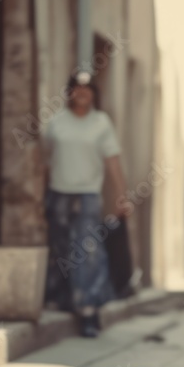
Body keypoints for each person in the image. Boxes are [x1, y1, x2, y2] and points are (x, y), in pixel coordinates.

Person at [42, 70, 128, 338]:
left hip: (88, 195)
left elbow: (112, 161)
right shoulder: (56, 123)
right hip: (59, 193)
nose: (82, 93)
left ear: (93, 93)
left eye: (87, 89)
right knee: (60, 248)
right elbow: (44, 161)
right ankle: (63, 299)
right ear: (70, 92)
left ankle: (88, 311)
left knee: (87, 251)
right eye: (77, 88)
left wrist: (121, 196)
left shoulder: (101, 123)